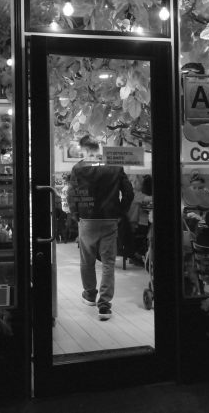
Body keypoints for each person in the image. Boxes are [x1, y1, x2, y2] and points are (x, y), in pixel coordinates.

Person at [67, 135, 134, 321]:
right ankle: (104, 306)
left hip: (87, 220)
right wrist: (120, 212)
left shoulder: (78, 168)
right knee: (108, 262)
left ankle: (89, 294)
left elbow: (72, 195)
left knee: (87, 260)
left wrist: (76, 215)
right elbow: (129, 192)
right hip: (110, 219)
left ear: (84, 149)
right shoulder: (114, 166)